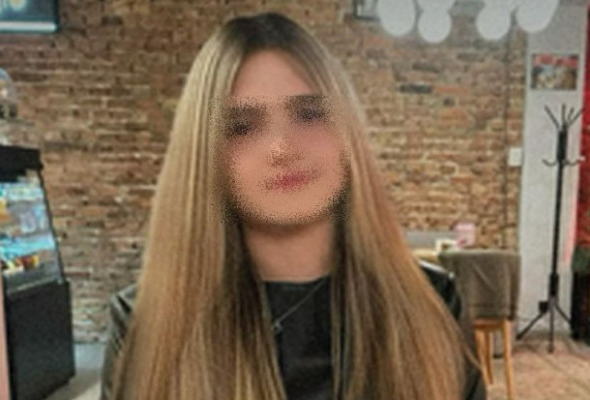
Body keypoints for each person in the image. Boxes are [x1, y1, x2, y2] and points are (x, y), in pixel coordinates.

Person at [100, 11, 486, 400]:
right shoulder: (145, 326)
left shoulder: (433, 304)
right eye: (242, 126)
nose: (282, 148)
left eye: (309, 114)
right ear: (205, 154)